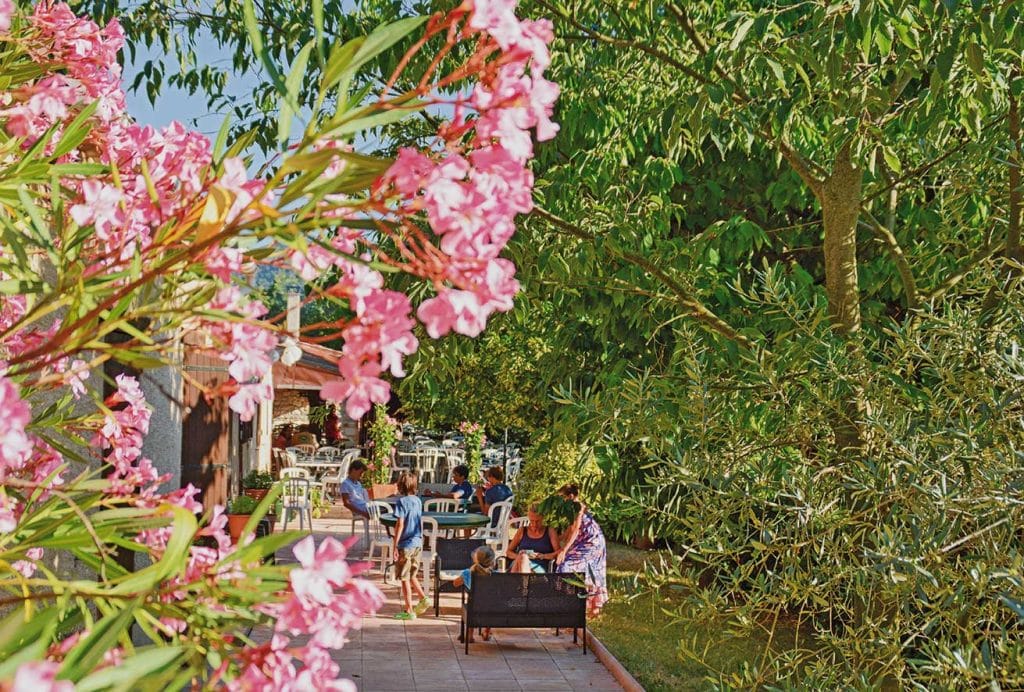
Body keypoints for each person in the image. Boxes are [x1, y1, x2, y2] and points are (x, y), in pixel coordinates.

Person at [555, 483, 608, 618]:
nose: (561, 501)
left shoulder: (578, 508)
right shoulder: (573, 509)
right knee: (590, 571)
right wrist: (559, 538)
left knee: (567, 565)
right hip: (589, 540)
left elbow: (576, 530)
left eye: (562, 498)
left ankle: (571, 605)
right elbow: (570, 529)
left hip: (592, 542)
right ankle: (589, 608)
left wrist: (564, 550)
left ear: (570, 496)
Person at [392, 471, 429, 620]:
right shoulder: (418, 501)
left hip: (406, 544)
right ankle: (423, 598)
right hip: (417, 543)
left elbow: (400, 524)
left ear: (401, 485)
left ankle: (409, 610)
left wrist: (395, 545)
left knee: (404, 578)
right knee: (412, 574)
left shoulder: (401, 502)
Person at [452, 545, 495, 642]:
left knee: (471, 603)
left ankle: (470, 635)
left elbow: (455, 583)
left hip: (474, 607)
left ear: (476, 559)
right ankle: (487, 632)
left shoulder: (468, 573)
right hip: (491, 608)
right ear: (492, 561)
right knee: (490, 602)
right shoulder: (494, 574)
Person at [507, 504, 561, 573]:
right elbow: (508, 552)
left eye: (537, 521)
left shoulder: (550, 531)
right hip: (518, 563)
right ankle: (523, 582)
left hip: (538, 566)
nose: (534, 524)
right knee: (523, 557)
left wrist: (542, 556)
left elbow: (559, 553)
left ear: (542, 518)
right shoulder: (522, 530)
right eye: (532, 521)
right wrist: (519, 556)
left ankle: (516, 582)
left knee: (523, 560)